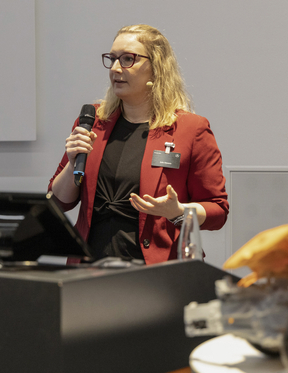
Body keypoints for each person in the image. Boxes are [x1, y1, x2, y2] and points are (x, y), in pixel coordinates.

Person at [48, 24, 229, 265]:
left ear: (156, 68)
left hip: (156, 272)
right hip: (88, 270)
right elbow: (59, 202)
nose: (115, 68)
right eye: (111, 59)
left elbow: (218, 211)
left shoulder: (191, 129)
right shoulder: (93, 122)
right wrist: (72, 165)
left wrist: (178, 212)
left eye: (127, 59)